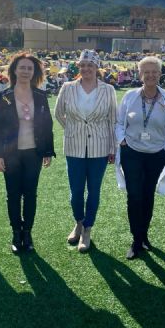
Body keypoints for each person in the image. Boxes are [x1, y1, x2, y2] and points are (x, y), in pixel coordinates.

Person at [0, 52, 55, 253]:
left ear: (34, 72)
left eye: (29, 68)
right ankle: (16, 234)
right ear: (14, 70)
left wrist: (47, 151)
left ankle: (28, 233)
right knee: (13, 195)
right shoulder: (4, 96)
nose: (26, 71)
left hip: (33, 153)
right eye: (22, 67)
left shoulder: (41, 96)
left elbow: (47, 124)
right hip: (11, 154)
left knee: (31, 194)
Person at [115, 56, 165, 259]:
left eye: (154, 72)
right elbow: (118, 123)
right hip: (132, 152)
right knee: (134, 196)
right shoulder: (129, 96)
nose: (150, 75)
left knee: (148, 194)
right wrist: (122, 141)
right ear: (140, 74)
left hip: (157, 154)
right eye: (146, 72)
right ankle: (136, 240)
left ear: (160, 74)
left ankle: (144, 235)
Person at [54, 49, 117, 253]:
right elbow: (58, 113)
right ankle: (78, 222)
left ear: (97, 67)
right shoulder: (67, 87)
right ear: (78, 67)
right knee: (76, 192)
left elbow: (113, 120)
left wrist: (112, 147)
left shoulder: (108, 90)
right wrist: (73, 130)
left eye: (90, 65)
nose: (86, 68)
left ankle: (88, 228)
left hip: (99, 147)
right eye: (82, 65)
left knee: (94, 191)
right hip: (74, 147)